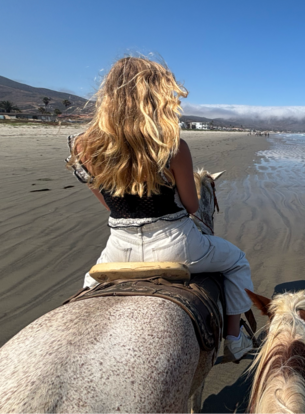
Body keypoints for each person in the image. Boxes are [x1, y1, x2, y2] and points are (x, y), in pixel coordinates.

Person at [66, 56, 254, 361]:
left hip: (119, 248)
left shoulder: (84, 146)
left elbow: (108, 206)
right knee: (237, 262)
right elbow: (193, 205)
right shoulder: (172, 145)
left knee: (88, 290)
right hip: (177, 245)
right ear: (155, 95)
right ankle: (235, 338)